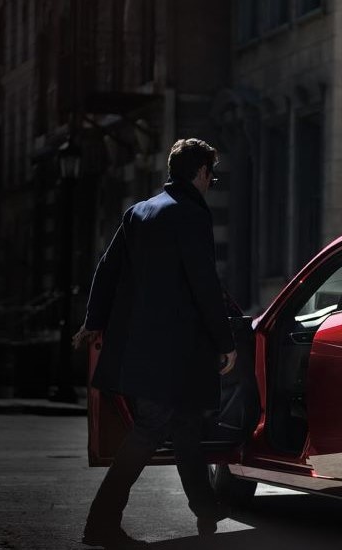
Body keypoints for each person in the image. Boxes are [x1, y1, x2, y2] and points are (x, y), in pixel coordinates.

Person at [72, 138, 237, 546]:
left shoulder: (138, 212)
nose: (210, 182)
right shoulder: (190, 214)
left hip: (139, 348)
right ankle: (101, 523)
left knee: (184, 428)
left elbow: (106, 271)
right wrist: (226, 340)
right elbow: (203, 283)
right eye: (211, 175)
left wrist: (93, 321)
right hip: (175, 352)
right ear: (200, 173)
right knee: (151, 430)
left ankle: (206, 508)